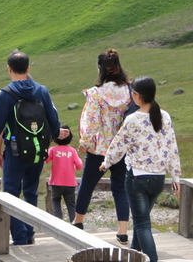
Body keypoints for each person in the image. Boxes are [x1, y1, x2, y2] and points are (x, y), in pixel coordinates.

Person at [0, 51, 67, 246]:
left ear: (9, 69)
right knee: (31, 192)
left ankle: (20, 238)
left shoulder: (6, 94)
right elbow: (54, 122)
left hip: (14, 152)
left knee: (11, 195)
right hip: (37, 151)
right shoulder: (42, 91)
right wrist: (53, 134)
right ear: (28, 68)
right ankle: (29, 233)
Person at [101, 76, 180, 262]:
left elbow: (118, 145)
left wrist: (106, 162)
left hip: (137, 178)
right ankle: (133, 256)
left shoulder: (133, 119)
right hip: (158, 179)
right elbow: (172, 148)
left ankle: (152, 259)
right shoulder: (165, 116)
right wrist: (175, 177)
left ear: (136, 95)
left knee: (142, 224)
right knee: (141, 220)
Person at [74, 48, 132, 243]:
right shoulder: (130, 91)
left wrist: (84, 143)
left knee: (87, 185)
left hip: (99, 148)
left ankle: (78, 222)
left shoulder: (96, 94)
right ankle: (122, 230)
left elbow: (91, 122)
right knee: (121, 188)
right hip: (122, 148)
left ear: (100, 69)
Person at [47, 124, 82, 222]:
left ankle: (58, 222)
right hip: (70, 183)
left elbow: (45, 160)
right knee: (71, 204)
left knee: (55, 201)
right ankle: (74, 223)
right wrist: (78, 167)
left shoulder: (53, 150)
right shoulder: (72, 151)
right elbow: (79, 165)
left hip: (55, 182)